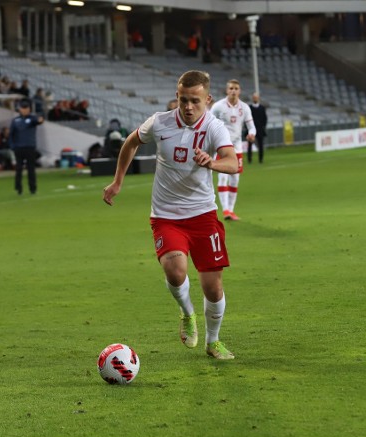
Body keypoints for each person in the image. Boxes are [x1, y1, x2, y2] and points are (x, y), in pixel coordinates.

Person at [102, 70, 240, 360]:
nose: (188, 107)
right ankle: (187, 313)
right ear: (177, 97)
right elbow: (130, 142)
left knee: (213, 288)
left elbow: (232, 163)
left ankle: (213, 342)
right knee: (175, 272)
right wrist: (118, 181)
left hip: (203, 215)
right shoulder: (160, 122)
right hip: (166, 216)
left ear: (208, 100)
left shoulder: (214, 127)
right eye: (183, 99)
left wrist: (212, 163)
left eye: (195, 101)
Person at [210, 79, 255, 221]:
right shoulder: (218, 107)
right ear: (226, 90)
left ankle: (232, 209)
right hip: (222, 148)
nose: (233, 91)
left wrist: (252, 133)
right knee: (223, 176)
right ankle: (226, 210)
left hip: (237, 147)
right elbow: (209, 124)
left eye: (236, 88)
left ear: (239, 90)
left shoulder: (245, 108)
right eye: (231, 88)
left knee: (235, 178)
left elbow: (251, 126)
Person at [9, 98, 44, 195]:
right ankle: (18, 187)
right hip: (19, 147)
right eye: (23, 108)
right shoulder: (15, 121)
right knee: (19, 169)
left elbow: (38, 121)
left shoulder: (32, 118)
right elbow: (11, 134)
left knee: (31, 169)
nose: (25, 110)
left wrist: (41, 119)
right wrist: (13, 146)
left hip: (30, 147)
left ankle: (32, 188)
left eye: (26, 108)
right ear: (20, 109)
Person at [247, 92, 267, 164]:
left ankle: (261, 159)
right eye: (254, 97)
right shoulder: (249, 108)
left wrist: (262, 127)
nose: (255, 98)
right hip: (251, 130)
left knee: (261, 145)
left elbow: (265, 119)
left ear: (258, 98)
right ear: (252, 98)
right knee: (250, 145)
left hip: (260, 129)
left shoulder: (262, 108)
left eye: (256, 97)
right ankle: (249, 159)